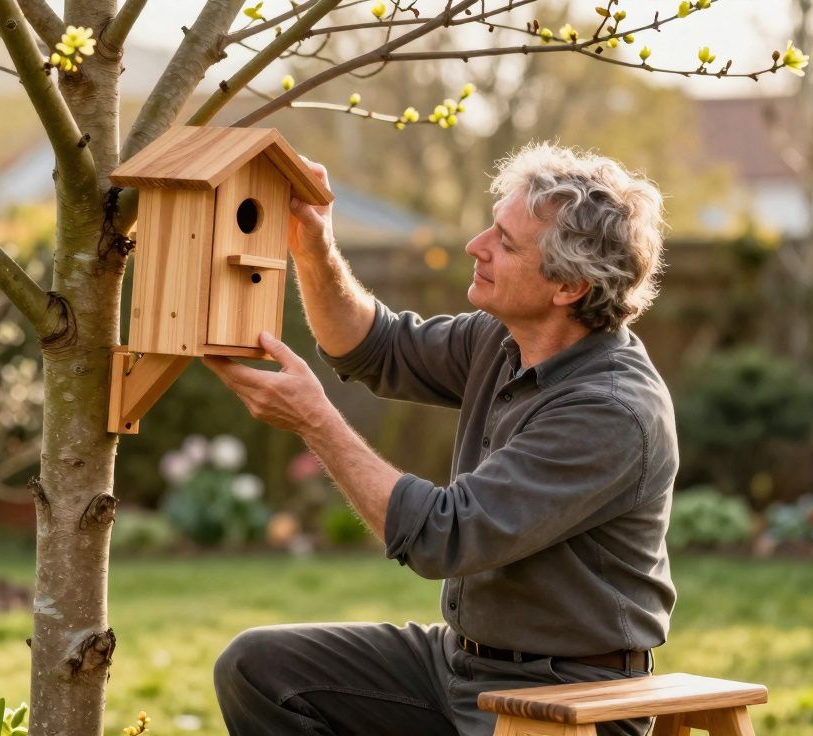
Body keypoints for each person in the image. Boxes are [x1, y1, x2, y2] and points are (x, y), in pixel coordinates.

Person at [202, 142, 678, 736]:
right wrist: (314, 246)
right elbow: (374, 347)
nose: (477, 246)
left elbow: (441, 537)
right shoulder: (502, 341)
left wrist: (315, 423)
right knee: (260, 669)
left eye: (505, 243)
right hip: (464, 663)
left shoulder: (608, 411)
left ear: (569, 287)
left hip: (567, 692)